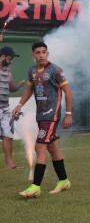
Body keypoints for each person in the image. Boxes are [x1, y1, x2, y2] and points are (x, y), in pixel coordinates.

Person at [13, 42, 73, 199]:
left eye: (44, 52)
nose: (41, 55)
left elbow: (68, 91)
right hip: (41, 115)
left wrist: (68, 113)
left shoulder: (56, 70)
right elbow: (29, 89)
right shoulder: (32, 70)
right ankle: (64, 181)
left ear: (48, 53)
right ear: (33, 54)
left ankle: (35, 187)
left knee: (40, 147)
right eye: (38, 52)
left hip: (51, 115)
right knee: (52, 148)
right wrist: (19, 104)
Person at [0, 46, 26, 168]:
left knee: (8, 135)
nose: (11, 61)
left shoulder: (8, 71)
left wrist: (20, 85)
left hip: (5, 108)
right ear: (3, 56)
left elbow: (12, 88)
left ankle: (10, 163)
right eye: (10, 58)